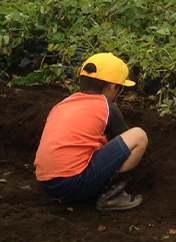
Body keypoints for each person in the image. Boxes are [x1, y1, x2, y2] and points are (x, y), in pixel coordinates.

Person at [34, 53, 149, 212]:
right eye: (119, 88)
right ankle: (111, 196)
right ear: (111, 86)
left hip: (46, 183)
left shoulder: (62, 104)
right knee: (138, 136)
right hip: (74, 183)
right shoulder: (106, 106)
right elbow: (123, 140)